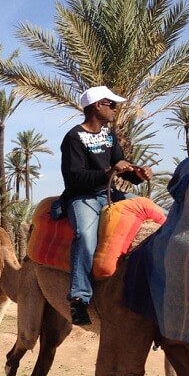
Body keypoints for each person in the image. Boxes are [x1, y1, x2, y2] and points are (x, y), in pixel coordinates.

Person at [60, 85, 152, 326]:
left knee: (156, 215)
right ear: (96, 106)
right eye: (110, 104)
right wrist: (109, 172)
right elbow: (74, 177)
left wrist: (137, 174)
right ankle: (79, 298)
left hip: (110, 193)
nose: (114, 108)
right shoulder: (73, 138)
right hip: (82, 197)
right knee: (85, 236)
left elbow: (121, 166)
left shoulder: (109, 136)